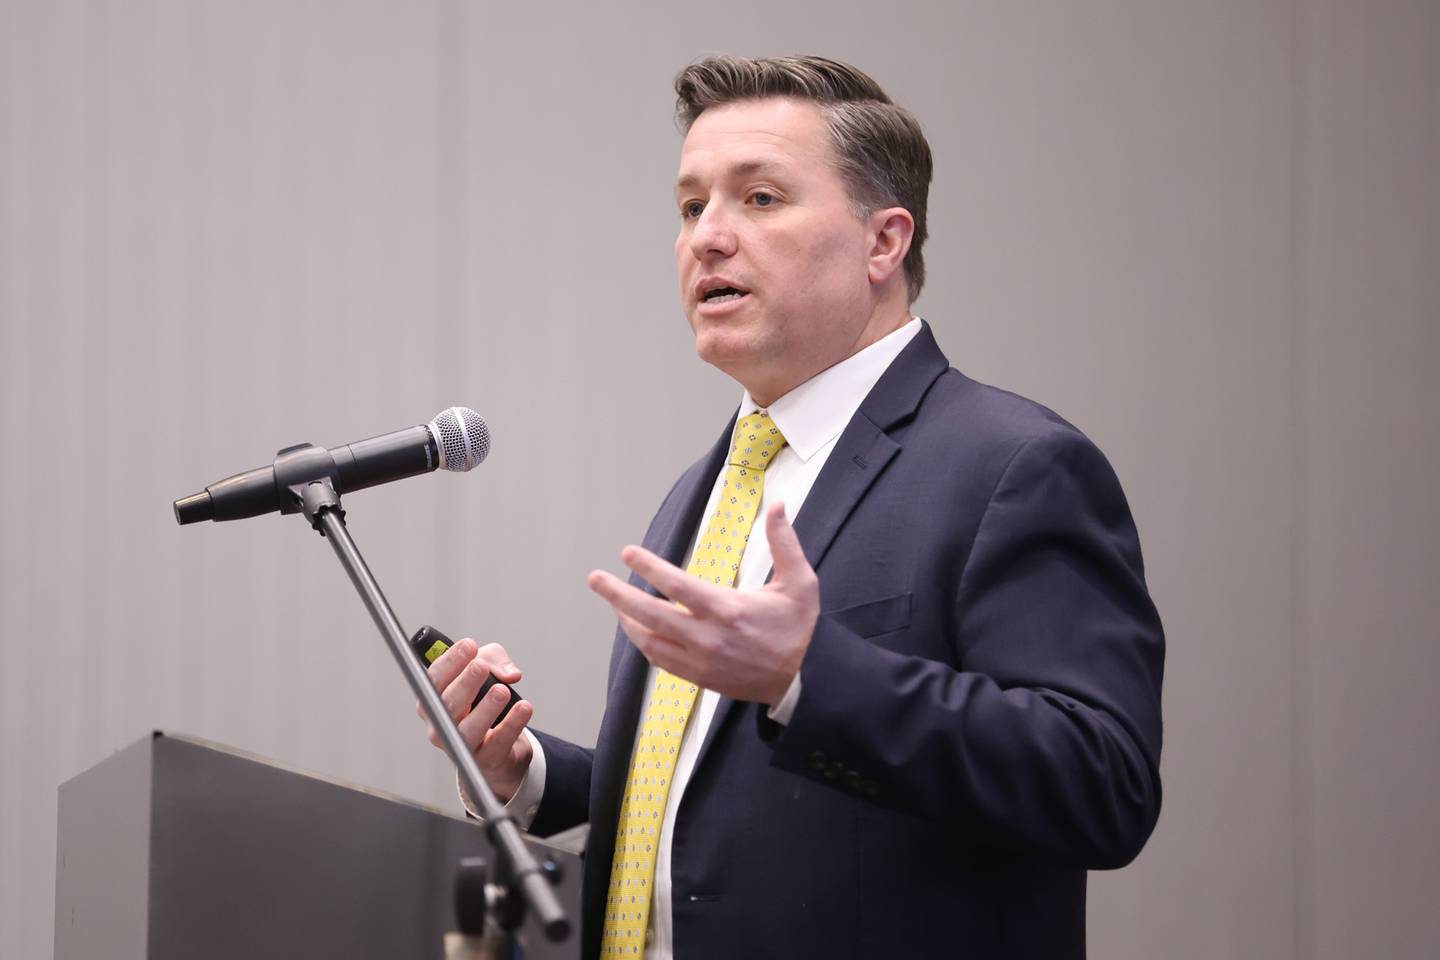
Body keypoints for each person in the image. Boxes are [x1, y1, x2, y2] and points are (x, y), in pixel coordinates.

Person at [419, 54, 1165, 960]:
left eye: (761, 199)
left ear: (884, 243)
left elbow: (1101, 784)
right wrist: (522, 771)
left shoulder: (1013, 465)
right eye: (692, 206)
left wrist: (812, 672)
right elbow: (702, 806)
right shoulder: (707, 489)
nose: (708, 237)